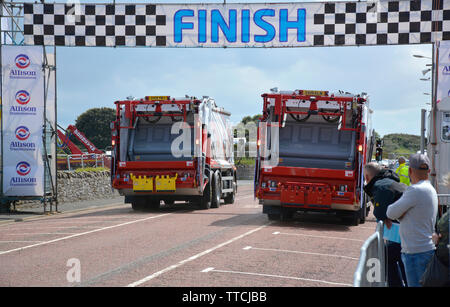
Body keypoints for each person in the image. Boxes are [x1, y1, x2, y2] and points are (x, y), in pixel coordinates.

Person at [386, 153, 438, 287]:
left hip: (415, 252)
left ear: (410, 171)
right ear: (429, 171)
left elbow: (390, 212)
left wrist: (401, 213)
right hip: (425, 249)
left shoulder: (415, 190)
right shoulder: (430, 189)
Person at [363, 162, 408, 287]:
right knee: (400, 259)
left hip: (399, 232)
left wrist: (384, 215)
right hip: (404, 229)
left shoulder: (380, 185)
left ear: (367, 177)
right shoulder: (389, 182)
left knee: (388, 258)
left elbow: (379, 211)